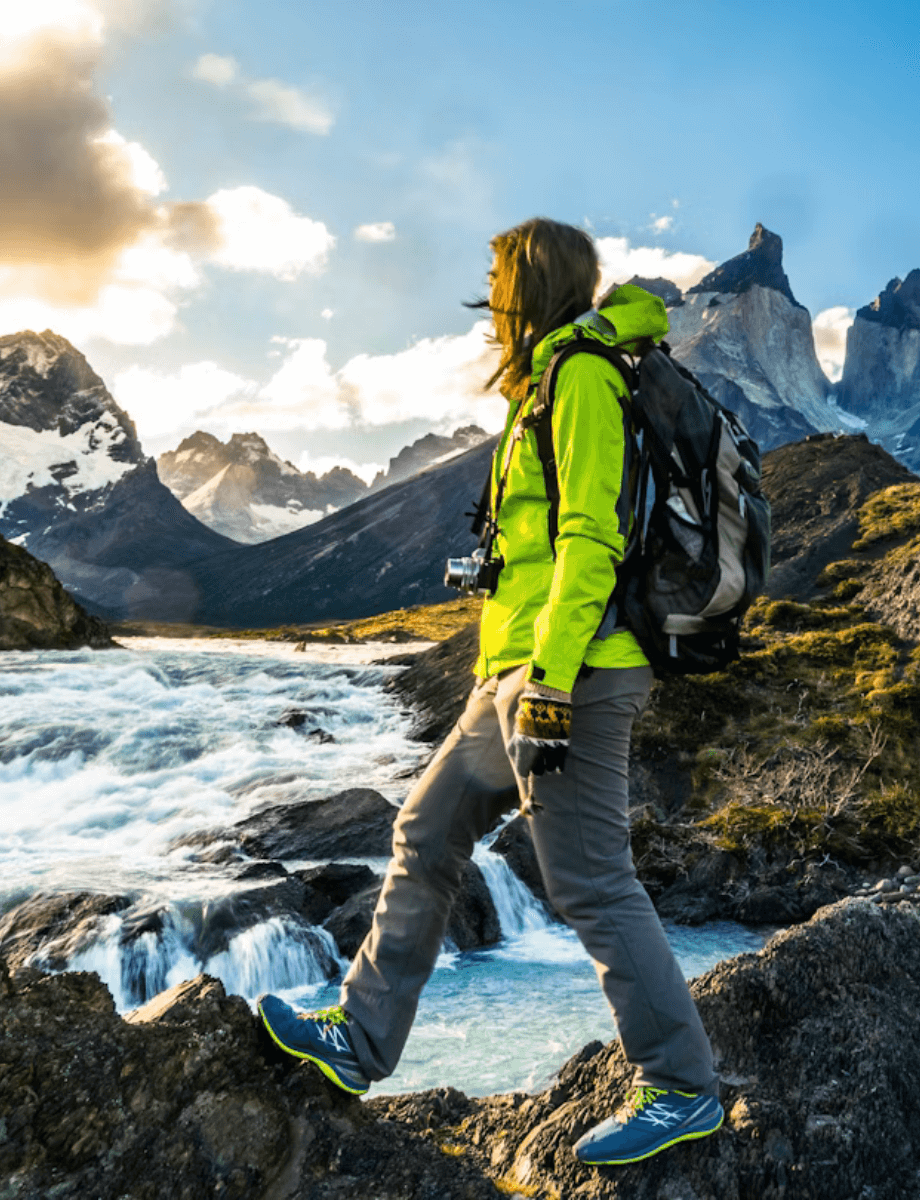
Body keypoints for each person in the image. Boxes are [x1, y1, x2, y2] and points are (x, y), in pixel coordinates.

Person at [254, 217, 722, 1167]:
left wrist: (548, 681)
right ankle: (361, 1037)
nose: (491, 301)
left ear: (531, 285)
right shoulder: (549, 378)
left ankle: (682, 1087)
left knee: (590, 882)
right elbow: (543, 542)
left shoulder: (585, 376)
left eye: (501, 281)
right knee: (424, 835)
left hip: (573, 674)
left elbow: (592, 539)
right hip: (510, 674)